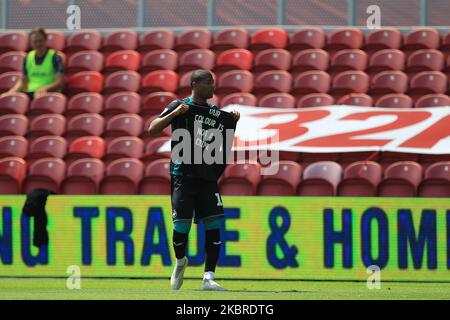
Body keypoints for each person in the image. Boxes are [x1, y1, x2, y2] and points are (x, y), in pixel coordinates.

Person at [148, 69, 240, 291]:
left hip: (206, 177)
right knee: (181, 226)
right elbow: (152, 128)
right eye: (209, 82)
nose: (212, 86)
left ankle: (208, 278)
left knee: (214, 224)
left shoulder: (214, 113)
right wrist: (176, 113)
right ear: (195, 84)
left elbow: (221, 142)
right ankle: (180, 261)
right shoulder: (179, 106)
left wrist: (232, 120)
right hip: (183, 176)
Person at [2, 27, 64, 100]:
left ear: (46, 40)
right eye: (35, 41)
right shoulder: (28, 57)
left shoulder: (54, 57)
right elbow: (23, 81)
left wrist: (44, 88)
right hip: (30, 94)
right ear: (31, 42)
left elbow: (60, 81)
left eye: (40, 41)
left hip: (49, 94)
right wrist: (11, 92)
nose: (38, 44)